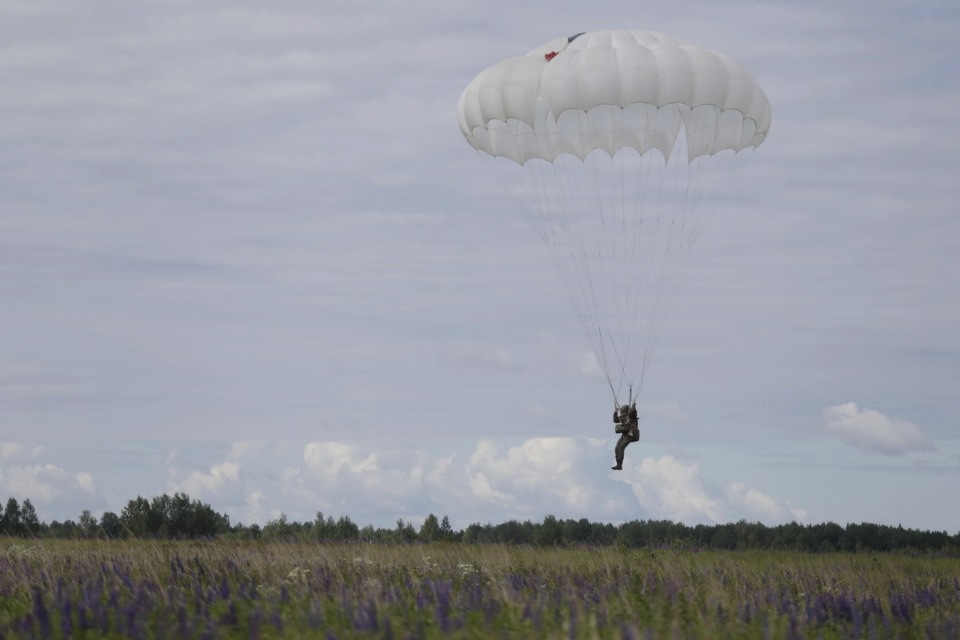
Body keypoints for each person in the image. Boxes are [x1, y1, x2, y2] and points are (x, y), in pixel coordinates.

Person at [611, 403, 639, 470]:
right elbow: (615, 420)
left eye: (624, 413)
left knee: (621, 448)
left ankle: (619, 465)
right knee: (616, 448)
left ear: (627, 411)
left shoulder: (631, 416)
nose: (623, 414)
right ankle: (618, 464)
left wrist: (633, 407)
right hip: (624, 435)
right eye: (622, 413)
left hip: (631, 435)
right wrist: (615, 412)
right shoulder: (622, 417)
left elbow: (634, 413)